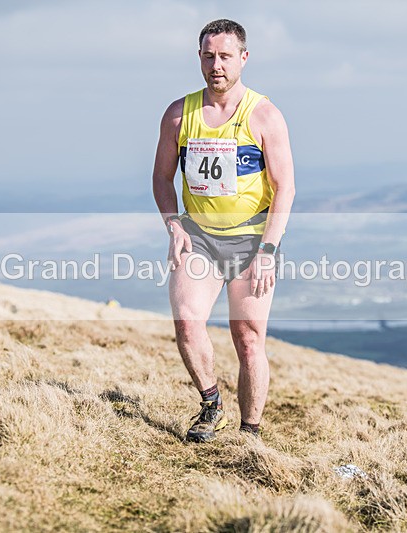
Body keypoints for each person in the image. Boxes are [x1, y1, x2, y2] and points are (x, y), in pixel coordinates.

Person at [152, 19, 295, 442]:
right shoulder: (179, 115)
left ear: (243, 59)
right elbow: (161, 178)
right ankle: (211, 404)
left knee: (248, 339)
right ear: (199, 57)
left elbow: (285, 187)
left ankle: (250, 432)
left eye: (226, 57)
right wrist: (173, 225)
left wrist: (269, 249)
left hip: (253, 241)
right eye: (209, 56)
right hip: (199, 237)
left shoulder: (265, 115)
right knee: (186, 323)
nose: (217, 65)